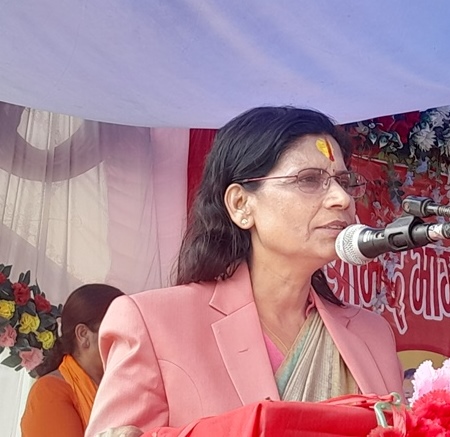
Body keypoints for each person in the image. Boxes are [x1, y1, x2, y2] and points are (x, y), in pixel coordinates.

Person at [86, 106, 404, 436]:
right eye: (309, 180)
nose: (341, 199)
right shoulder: (153, 324)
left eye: (344, 181)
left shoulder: (371, 335)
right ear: (241, 205)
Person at [20, 283, 124, 437]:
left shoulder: (121, 387)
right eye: (119, 330)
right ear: (83, 334)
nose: (128, 340)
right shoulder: (49, 391)